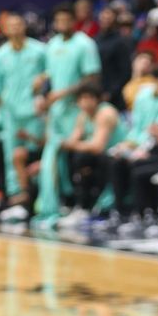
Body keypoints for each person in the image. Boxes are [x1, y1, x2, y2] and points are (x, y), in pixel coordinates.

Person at [33, 3, 101, 226]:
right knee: (54, 162)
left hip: (77, 111)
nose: (61, 24)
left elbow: (93, 79)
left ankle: (77, 206)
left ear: (74, 21)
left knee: (74, 160)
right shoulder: (51, 45)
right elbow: (50, 78)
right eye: (58, 20)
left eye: (66, 20)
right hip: (56, 113)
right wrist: (44, 95)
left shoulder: (85, 44)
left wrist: (66, 92)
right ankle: (58, 207)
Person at [0, 13, 46, 220]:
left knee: (38, 154)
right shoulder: (0, 55)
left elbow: (50, 73)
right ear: (5, 29)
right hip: (10, 112)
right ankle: (18, 198)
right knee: (11, 156)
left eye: (18, 23)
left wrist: (43, 79)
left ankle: (40, 198)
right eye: (11, 25)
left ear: (24, 26)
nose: (15, 27)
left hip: (35, 111)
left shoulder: (40, 50)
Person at [58, 84, 126, 227]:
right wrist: (70, 144)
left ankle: (93, 207)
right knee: (71, 157)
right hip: (100, 156)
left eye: (89, 98)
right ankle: (77, 205)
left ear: (97, 99)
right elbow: (72, 141)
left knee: (83, 158)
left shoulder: (106, 113)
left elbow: (98, 147)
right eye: (82, 98)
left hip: (117, 154)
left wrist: (73, 144)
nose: (85, 102)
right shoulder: (83, 115)